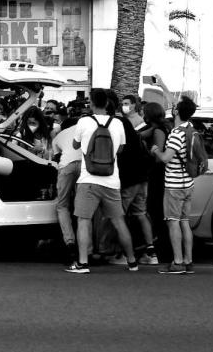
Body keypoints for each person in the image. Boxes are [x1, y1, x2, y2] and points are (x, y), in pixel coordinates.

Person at [65, 88, 138, 274]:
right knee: (119, 221)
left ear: (91, 103)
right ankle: (132, 261)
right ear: (107, 103)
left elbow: (74, 144)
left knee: (83, 220)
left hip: (88, 180)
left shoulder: (84, 121)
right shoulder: (118, 123)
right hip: (111, 180)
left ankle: (82, 263)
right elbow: (120, 149)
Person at [151, 96, 198, 274]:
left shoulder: (176, 134)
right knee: (185, 222)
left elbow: (166, 158)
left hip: (174, 185)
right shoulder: (190, 130)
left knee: (173, 223)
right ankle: (188, 260)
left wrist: (156, 150)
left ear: (177, 111)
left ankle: (177, 262)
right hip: (188, 183)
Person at [117, 95, 158, 266]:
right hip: (143, 179)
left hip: (130, 181)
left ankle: (122, 254)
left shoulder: (127, 139)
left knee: (119, 216)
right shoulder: (139, 138)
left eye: (127, 104)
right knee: (141, 214)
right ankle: (151, 251)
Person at [141, 101, 172, 264]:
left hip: (158, 175)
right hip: (163, 176)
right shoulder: (163, 127)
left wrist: (148, 150)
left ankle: (162, 251)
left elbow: (158, 155)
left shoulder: (159, 131)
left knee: (156, 212)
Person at [51, 115, 81, 264]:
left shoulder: (58, 136)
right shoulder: (84, 129)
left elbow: (57, 159)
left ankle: (70, 243)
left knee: (62, 206)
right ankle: (87, 249)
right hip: (85, 167)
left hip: (66, 167)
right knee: (83, 208)